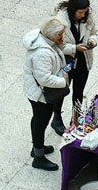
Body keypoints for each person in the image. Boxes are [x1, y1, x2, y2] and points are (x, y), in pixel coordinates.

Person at [22, 17, 69, 171]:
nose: (62, 38)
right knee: (40, 122)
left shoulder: (46, 43)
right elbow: (44, 78)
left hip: (37, 92)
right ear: (50, 35)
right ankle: (38, 157)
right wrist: (62, 81)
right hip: (40, 94)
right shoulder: (42, 53)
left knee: (38, 120)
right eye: (60, 35)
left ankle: (38, 147)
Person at [57, 0, 97, 129]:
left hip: (83, 61)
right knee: (61, 91)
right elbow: (58, 46)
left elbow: (94, 33)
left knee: (78, 92)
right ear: (72, 9)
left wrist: (92, 41)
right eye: (80, 12)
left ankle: (76, 119)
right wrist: (75, 48)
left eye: (85, 12)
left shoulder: (88, 18)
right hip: (67, 62)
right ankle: (56, 118)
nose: (82, 15)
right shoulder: (60, 22)